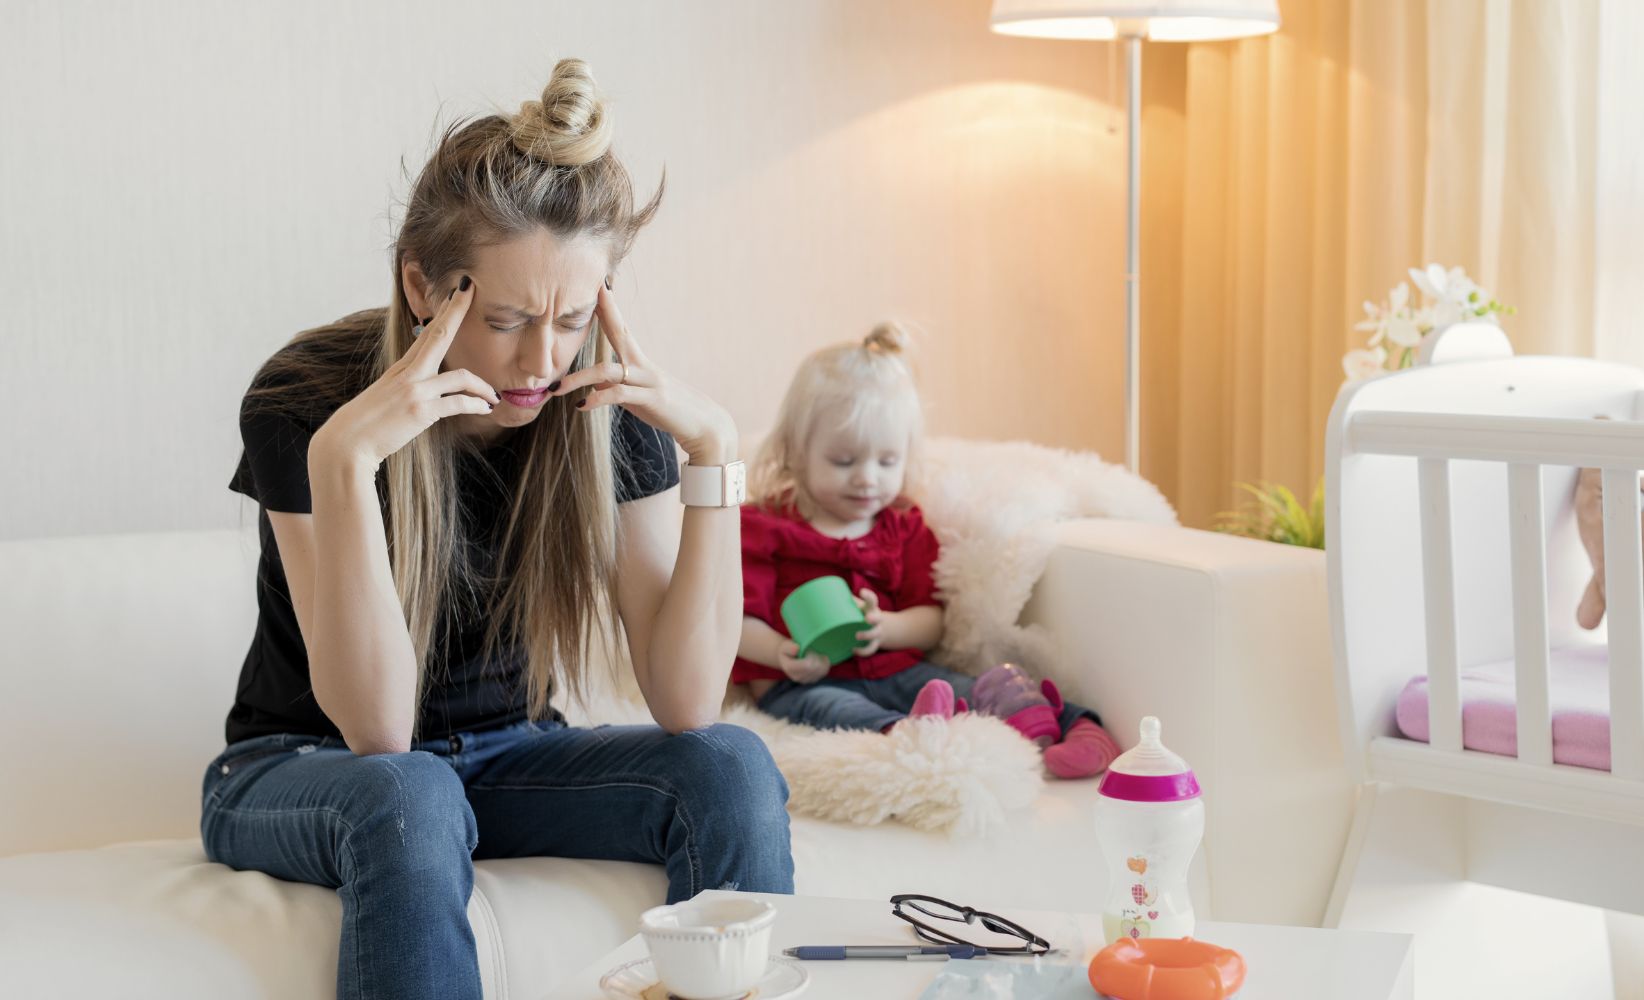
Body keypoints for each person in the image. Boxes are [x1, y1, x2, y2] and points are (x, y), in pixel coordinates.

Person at [204, 59, 792, 1000]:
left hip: (508, 753)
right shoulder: (305, 398)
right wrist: (342, 465)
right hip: (304, 767)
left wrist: (715, 453)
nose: (542, 359)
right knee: (413, 791)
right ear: (424, 287)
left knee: (730, 765)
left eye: (570, 318)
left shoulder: (601, 407)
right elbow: (379, 729)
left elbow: (686, 703)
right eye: (510, 318)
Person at [732, 323, 1123, 779]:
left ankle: (1073, 724)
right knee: (832, 708)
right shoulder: (763, 527)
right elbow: (734, 621)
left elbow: (931, 621)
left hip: (897, 672)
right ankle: (908, 730)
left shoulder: (904, 526)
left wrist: (888, 627)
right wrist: (781, 651)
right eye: (844, 461)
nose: (867, 478)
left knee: (972, 686)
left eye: (887, 462)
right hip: (804, 681)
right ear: (795, 453)